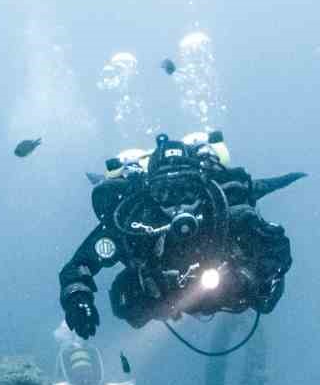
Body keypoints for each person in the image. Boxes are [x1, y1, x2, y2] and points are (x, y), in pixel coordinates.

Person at [58, 130, 305, 339]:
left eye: (186, 192)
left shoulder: (223, 207)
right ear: (149, 193)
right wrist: (78, 300)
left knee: (262, 300)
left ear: (201, 186)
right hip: (164, 297)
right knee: (126, 306)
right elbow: (79, 266)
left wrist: (255, 273)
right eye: (165, 194)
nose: (177, 204)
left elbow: (277, 250)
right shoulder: (134, 218)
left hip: (225, 289)